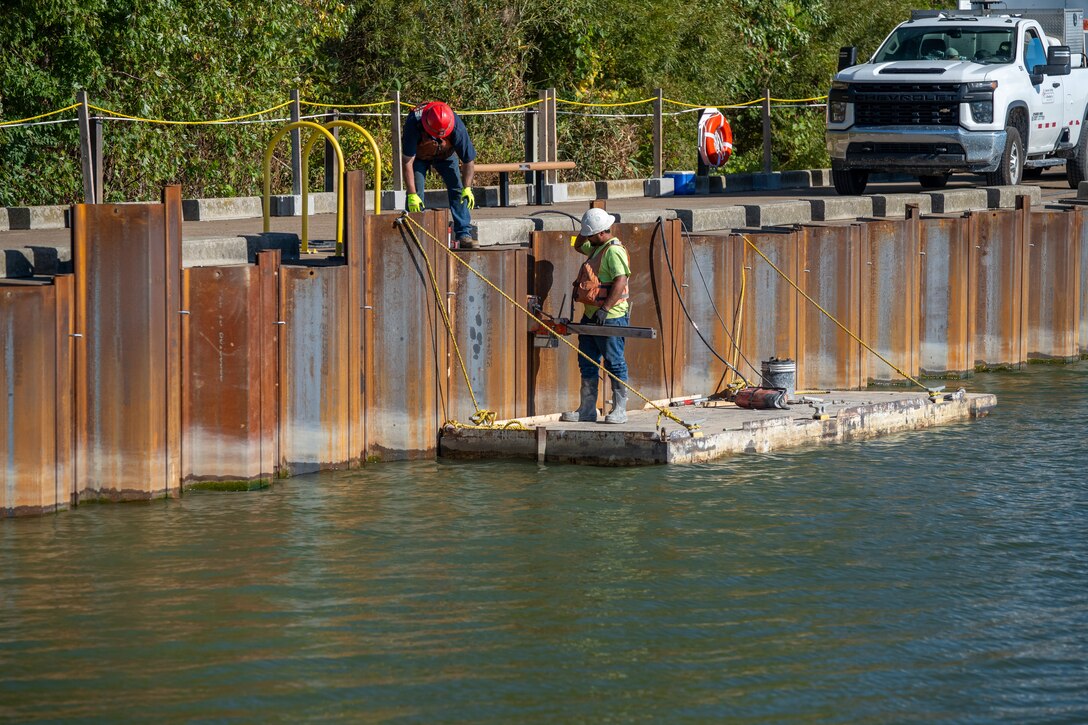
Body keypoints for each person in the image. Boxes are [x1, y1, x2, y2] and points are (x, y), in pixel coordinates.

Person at [559, 208, 632, 425]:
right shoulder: (596, 248)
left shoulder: (613, 251)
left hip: (611, 316)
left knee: (614, 362)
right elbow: (578, 245)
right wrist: (585, 229)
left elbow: (620, 281)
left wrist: (605, 308)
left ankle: (620, 409)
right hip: (592, 315)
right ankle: (587, 409)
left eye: (591, 234)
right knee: (587, 360)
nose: (587, 238)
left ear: (601, 233)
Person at [401, 101, 478, 248]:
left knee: (458, 190)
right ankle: (415, 235)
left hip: (446, 156)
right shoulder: (414, 122)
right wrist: (411, 194)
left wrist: (467, 188)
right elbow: (407, 162)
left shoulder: (455, 124)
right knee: (417, 193)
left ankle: (464, 234)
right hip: (418, 158)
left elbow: (468, 160)